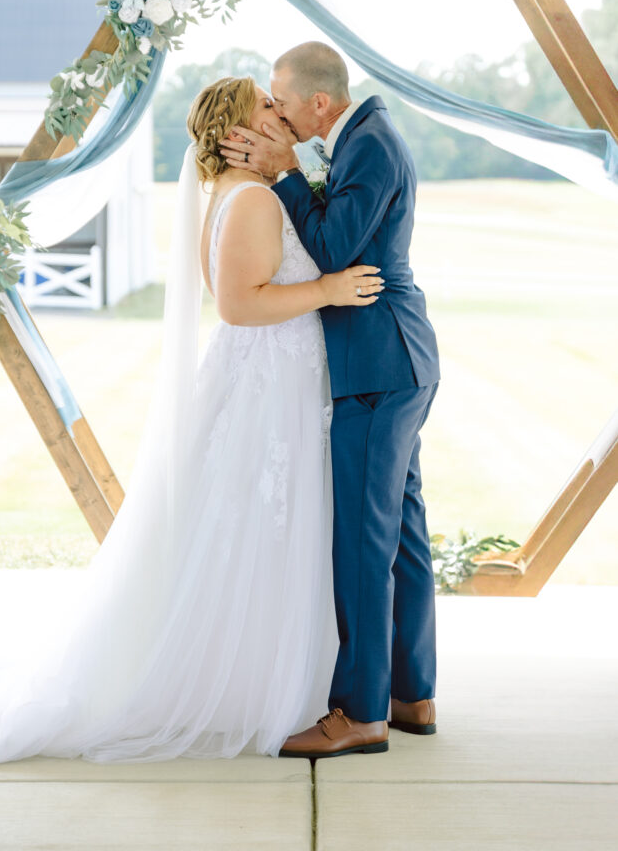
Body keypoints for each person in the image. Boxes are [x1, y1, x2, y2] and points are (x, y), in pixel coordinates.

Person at [0, 74, 384, 766]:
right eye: (264, 105)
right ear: (237, 132)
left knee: (249, 528)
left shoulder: (227, 195)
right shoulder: (255, 200)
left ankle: (269, 674)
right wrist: (326, 288)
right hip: (268, 385)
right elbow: (238, 305)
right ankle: (251, 686)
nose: (278, 109)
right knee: (262, 527)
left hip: (269, 377)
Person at [220, 41, 441, 758]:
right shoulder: (364, 138)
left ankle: (358, 714)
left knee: (363, 542)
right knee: (400, 535)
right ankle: (411, 695)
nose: (276, 113)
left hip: (378, 363)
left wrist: (284, 173)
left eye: (280, 99)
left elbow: (333, 248)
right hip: (390, 359)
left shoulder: (370, 144)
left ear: (319, 102)